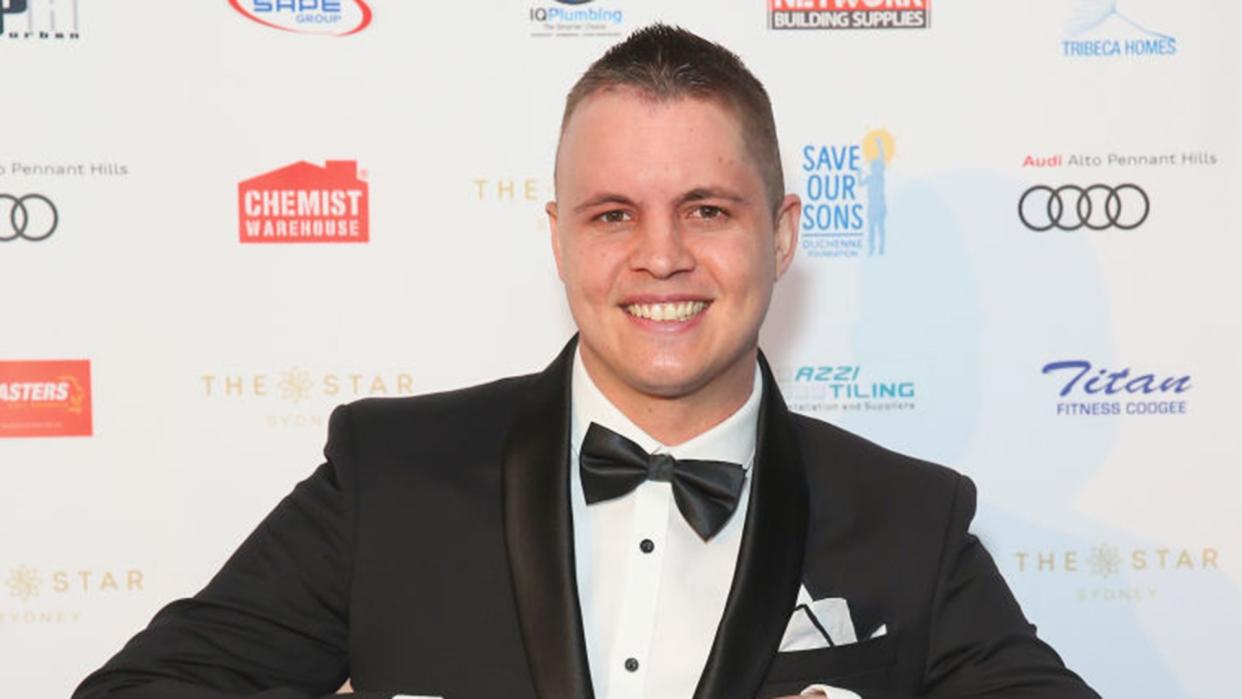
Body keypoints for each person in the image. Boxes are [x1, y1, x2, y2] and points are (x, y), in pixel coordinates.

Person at [75, 24, 1099, 699]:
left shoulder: (909, 519)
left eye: (708, 210)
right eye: (614, 215)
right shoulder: (389, 474)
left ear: (784, 235)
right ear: (559, 238)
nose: (660, 256)